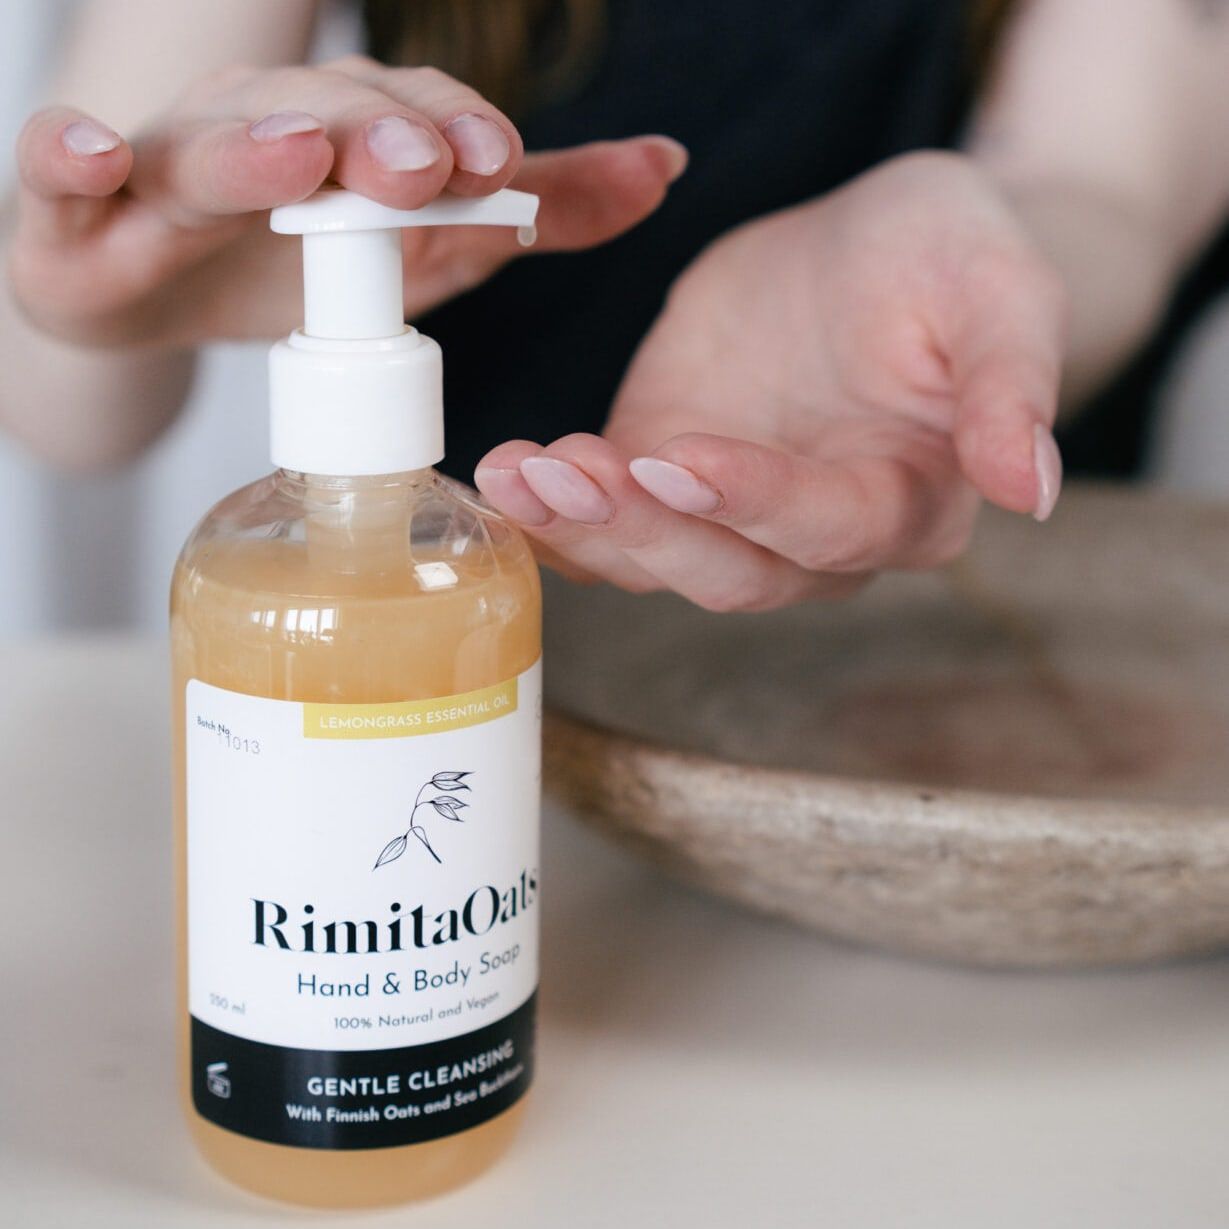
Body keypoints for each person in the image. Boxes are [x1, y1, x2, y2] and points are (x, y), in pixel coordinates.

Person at [4, 0, 1229, 611]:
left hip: (1006, 683)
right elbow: (64, 408)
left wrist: (982, 287)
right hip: (485, 665)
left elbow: (1100, 184)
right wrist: (96, 300)